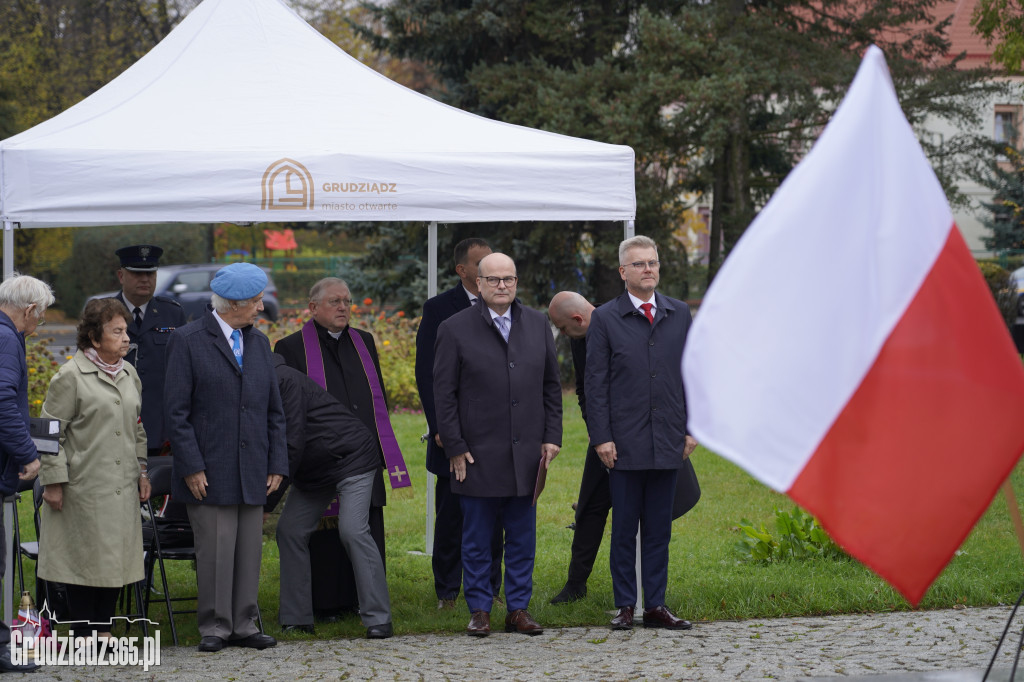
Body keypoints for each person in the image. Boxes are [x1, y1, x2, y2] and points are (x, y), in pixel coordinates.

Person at [433, 253, 562, 637]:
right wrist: (454, 446)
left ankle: (518, 609)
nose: (502, 285)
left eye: (508, 279)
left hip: (525, 454)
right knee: (476, 538)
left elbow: (551, 387)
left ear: (516, 282)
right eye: (493, 279)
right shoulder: (454, 328)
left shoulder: (537, 324)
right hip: (476, 453)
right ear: (478, 283)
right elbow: (444, 394)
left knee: (522, 537)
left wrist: (552, 436)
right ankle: (480, 609)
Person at [548, 291, 702, 605]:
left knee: (651, 513)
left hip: (645, 435)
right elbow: (586, 391)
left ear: (577, 320)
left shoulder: (628, 323)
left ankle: (650, 596)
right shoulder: (580, 340)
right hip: (604, 440)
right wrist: (599, 435)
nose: (562, 335)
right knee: (590, 508)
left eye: (563, 328)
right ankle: (576, 584)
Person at [164, 262, 287, 653]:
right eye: (255, 302)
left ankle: (245, 623)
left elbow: (274, 412)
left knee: (248, 551)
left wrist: (277, 464)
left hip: (253, 468)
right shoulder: (187, 340)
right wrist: (191, 466)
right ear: (233, 304)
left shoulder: (259, 343)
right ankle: (215, 626)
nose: (260, 309)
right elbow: (176, 412)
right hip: (208, 468)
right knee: (216, 551)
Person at [275, 278, 409, 616]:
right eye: (334, 301)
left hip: (360, 454)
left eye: (347, 301)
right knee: (324, 533)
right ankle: (325, 603)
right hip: (319, 456)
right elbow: (289, 409)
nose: (343, 307)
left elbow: (376, 397)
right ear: (312, 307)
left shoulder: (363, 341)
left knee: (360, 527)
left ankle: (362, 603)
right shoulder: (290, 347)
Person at [585, 235, 698, 631]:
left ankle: (656, 605)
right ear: (623, 272)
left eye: (652, 262)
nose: (648, 269)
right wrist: (602, 437)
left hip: (668, 437)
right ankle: (625, 605)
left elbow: (692, 374)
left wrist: (692, 428)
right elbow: (595, 382)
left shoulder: (679, 313)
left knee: (658, 529)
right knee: (624, 528)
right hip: (625, 442)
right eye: (639, 264)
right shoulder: (605, 318)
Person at [38, 298, 150, 640]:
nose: (126, 337)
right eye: (116, 331)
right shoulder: (69, 376)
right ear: (94, 337)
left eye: (126, 330)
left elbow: (138, 427)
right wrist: (54, 481)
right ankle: (85, 634)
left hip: (121, 486)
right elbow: (47, 431)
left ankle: (103, 633)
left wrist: (142, 470)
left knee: (116, 562)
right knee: (83, 562)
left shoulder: (129, 373)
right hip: (82, 488)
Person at [272, 354, 393, 639]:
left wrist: (267, 503)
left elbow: (291, 444)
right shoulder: (260, 382)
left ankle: (378, 618)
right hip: (316, 468)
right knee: (289, 530)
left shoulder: (284, 380)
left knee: (352, 530)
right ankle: (296, 618)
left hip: (352, 457)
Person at [415, 238, 504, 610]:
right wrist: (441, 428)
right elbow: (428, 373)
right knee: (452, 516)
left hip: (496, 433)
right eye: (482, 263)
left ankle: (491, 590)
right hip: (453, 431)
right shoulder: (439, 310)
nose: (492, 271)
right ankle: (448, 591)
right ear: (463, 271)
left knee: (495, 517)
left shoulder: (506, 306)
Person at [0, 274, 50, 673]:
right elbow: (2, 403)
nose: (40, 327)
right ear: (29, 309)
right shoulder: (5, 338)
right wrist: (28, 454)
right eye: (42, 317)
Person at [110, 245, 186, 458]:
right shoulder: (103, 313)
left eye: (150, 273)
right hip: (114, 423)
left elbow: (184, 369)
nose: (145, 279)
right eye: (136, 273)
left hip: (161, 427)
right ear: (121, 275)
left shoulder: (172, 313)